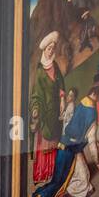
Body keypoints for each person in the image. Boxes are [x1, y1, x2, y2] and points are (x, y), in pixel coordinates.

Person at [30, 73, 99, 197]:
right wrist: (98, 162)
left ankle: (50, 194)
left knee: (71, 179)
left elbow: (85, 134)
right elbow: (90, 139)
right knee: (81, 183)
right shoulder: (91, 112)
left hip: (69, 148)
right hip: (70, 152)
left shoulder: (85, 101)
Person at [30, 31, 68, 185]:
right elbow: (36, 95)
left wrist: (62, 99)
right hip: (45, 111)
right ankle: (44, 172)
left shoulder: (55, 65)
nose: (51, 50)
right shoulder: (39, 71)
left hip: (56, 110)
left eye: (53, 48)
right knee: (46, 141)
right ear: (44, 50)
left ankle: (55, 171)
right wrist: (35, 109)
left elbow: (60, 84)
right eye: (49, 48)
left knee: (55, 141)